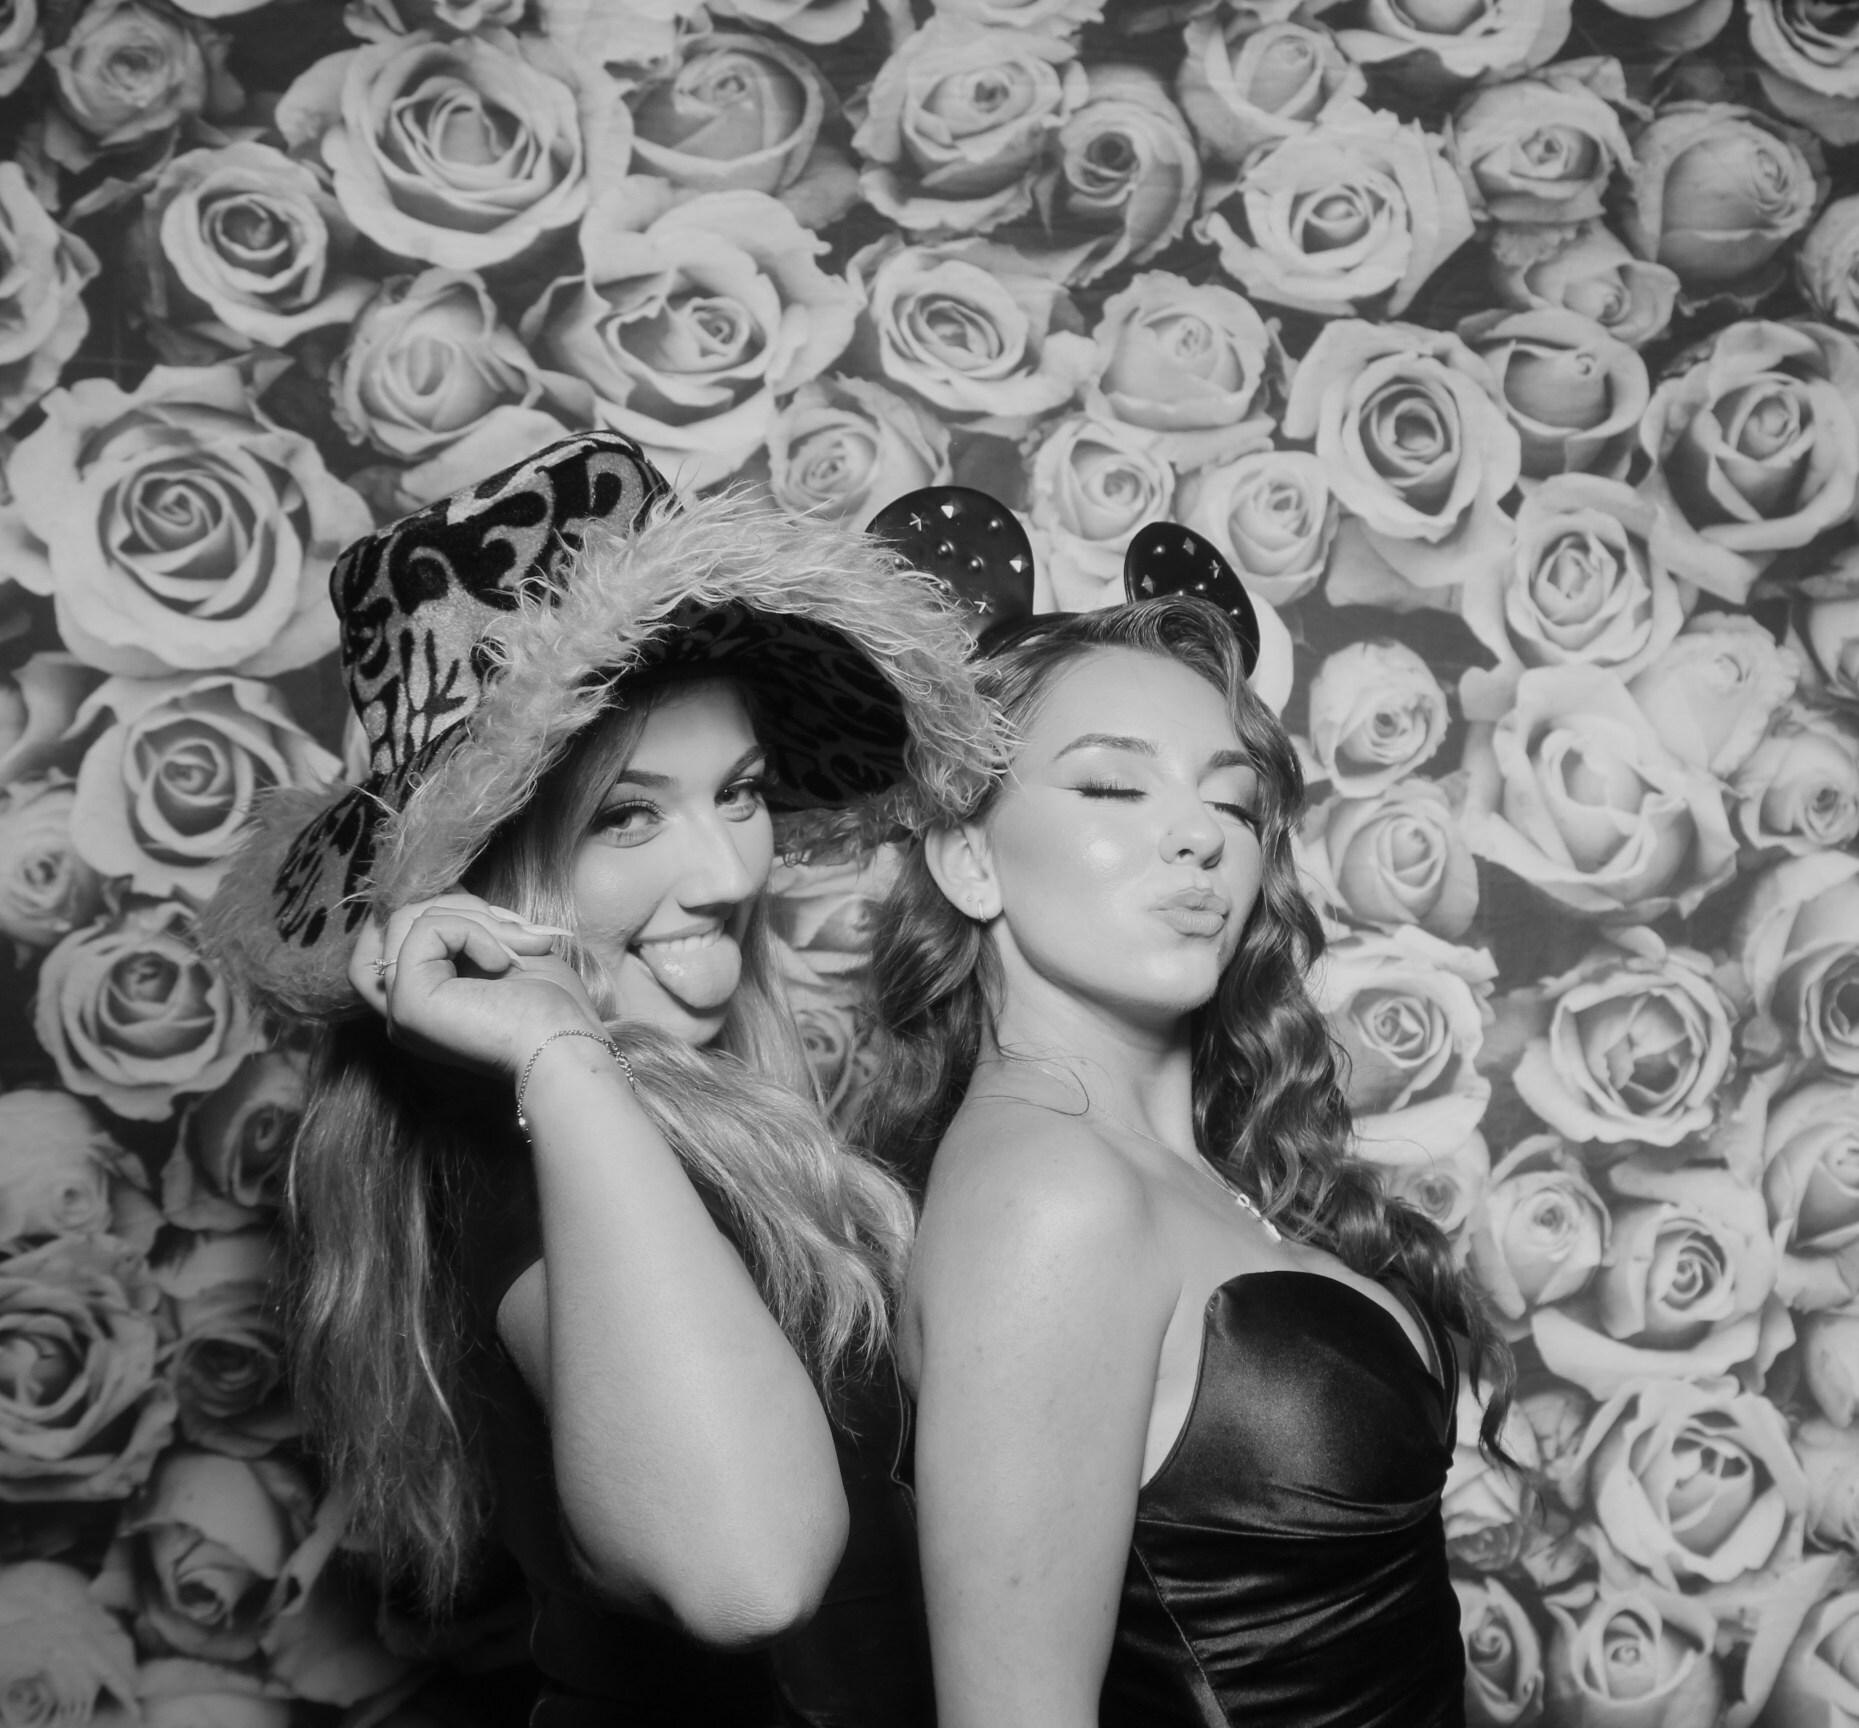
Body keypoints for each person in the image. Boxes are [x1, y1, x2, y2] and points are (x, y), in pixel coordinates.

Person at [201, 431, 997, 1728]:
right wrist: (558, 1055)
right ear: (489, 870)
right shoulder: (527, 1149)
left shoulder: (662, 1117)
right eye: (628, 814)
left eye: (740, 794)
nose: (729, 873)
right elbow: (749, 1577)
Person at [847, 596, 1510, 1728]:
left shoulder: (1199, 1169)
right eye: (1114, 786)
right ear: (969, 860)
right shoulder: (1049, 1197)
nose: (1201, 835)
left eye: (1232, 801)